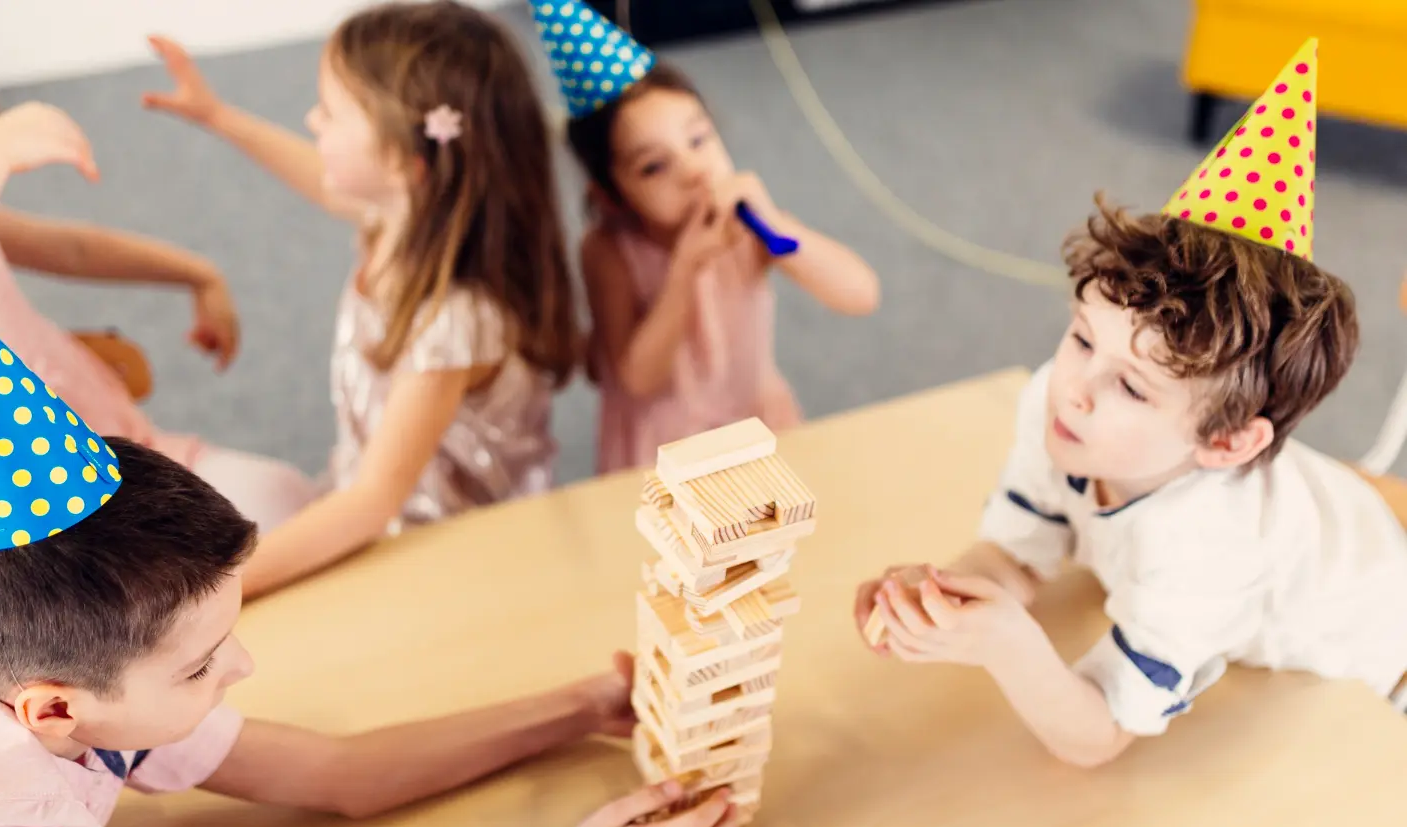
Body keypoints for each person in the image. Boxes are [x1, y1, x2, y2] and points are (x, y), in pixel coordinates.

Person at [0, 105, 738, 827]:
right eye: (199, 666)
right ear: (55, 713)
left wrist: (583, 706)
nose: (244, 662)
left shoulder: (45, 670)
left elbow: (339, 777)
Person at [854, 40, 1407, 767]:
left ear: (1226, 442)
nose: (1074, 390)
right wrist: (938, 598)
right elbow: (1020, 555)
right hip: (1332, 520)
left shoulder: (1210, 547)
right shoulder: (1059, 408)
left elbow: (1097, 735)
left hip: (1378, 654)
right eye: (1084, 339)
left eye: (1131, 387)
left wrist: (1008, 646)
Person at [143, 1, 582, 600]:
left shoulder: (451, 320)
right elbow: (321, 179)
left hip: (435, 546)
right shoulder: (405, 214)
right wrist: (219, 116)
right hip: (377, 489)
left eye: (330, 113)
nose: (311, 121)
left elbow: (372, 504)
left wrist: (213, 590)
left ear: (407, 162)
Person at [0, 39, 318, 572]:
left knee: (284, 501)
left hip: (102, 449)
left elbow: (70, 248)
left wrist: (195, 273)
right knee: (182, 587)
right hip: (9, 534)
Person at [531, 0, 880, 473]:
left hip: (753, 419)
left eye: (699, 140)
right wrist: (685, 271)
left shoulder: (750, 226)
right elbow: (637, 379)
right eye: (654, 167)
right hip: (662, 446)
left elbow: (860, 294)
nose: (694, 171)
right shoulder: (608, 251)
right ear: (611, 195)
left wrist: (778, 229)